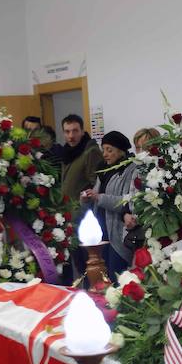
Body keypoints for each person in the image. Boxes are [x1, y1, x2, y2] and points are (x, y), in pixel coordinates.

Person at [81, 130, 137, 280]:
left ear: (121, 151)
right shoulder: (104, 170)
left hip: (117, 235)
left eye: (109, 150)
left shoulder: (130, 170)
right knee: (101, 280)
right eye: (103, 150)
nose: (105, 154)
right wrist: (87, 198)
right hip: (102, 233)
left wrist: (99, 197)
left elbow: (127, 201)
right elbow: (97, 195)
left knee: (116, 279)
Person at [59, 114, 102, 203]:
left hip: (82, 206)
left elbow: (96, 184)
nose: (71, 136)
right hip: (68, 206)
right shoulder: (66, 151)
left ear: (82, 131)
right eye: (67, 131)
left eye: (75, 131)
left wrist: (83, 203)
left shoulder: (91, 151)